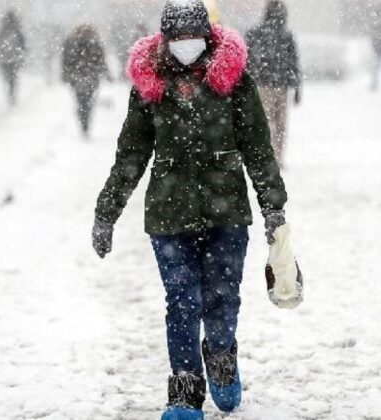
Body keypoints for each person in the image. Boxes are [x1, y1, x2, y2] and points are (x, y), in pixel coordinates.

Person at [91, 0, 289, 418]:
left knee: (221, 299)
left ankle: (220, 357)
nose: (186, 45)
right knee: (181, 301)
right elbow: (131, 154)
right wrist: (106, 212)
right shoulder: (150, 87)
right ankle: (184, 390)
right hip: (168, 216)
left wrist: (274, 210)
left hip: (227, 214)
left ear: (208, 36)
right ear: (165, 40)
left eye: (192, 37)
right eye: (177, 38)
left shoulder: (235, 82)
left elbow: (258, 149)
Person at [246, 0, 301, 168]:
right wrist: (297, 88)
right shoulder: (286, 36)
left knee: (263, 124)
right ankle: (277, 158)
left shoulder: (254, 33)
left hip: (261, 85)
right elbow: (293, 63)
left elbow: (247, 62)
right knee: (280, 126)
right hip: (281, 86)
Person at [61, 24, 110, 138]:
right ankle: (85, 122)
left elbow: (66, 60)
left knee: (81, 101)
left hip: (77, 77)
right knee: (87, 102)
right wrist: (106, 73)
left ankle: (83, 122)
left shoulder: (72, 42)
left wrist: (66, 74)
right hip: (91, 77)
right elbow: (101, 60)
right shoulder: (95, 42)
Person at [0, 11, 27, 106]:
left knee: (8, 77)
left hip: (4, 59)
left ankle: (10, 93)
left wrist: (0, 53)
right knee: (13, 78)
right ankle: (12, 93)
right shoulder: (16, 29)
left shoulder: (3, 29)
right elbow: (23, 43)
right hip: (14, 58)